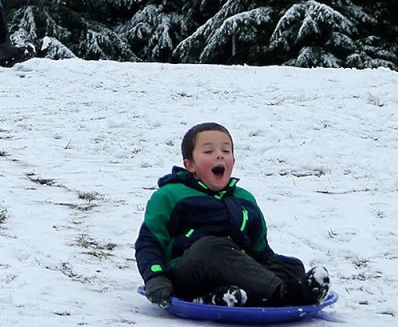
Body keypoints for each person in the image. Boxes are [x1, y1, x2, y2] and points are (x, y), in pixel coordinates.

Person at [135, 122, 330, 308]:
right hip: (187, 273)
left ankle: (224, 296)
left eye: (225, 151)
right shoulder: (171, 195)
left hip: (235, 269)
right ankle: (282, 294)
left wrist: (281, 270)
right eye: (209, 151)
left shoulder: (244, 199)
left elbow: (260, 250)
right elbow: (149, 242)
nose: (219, 156)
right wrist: (155, 277)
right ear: (190, 165)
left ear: (233, 162)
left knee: (291, 266)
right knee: (211, 247)